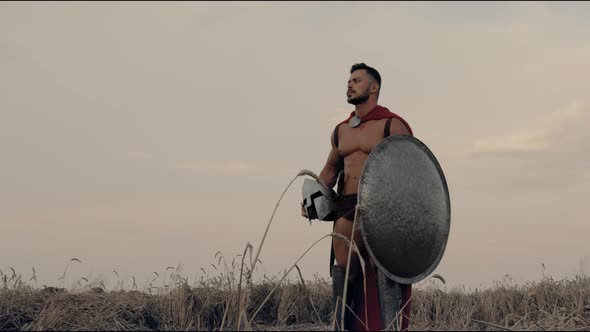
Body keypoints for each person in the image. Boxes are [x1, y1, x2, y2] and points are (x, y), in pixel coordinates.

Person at [301, 63, 413, 331]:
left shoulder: (391, 124)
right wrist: (313, 198)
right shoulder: (341, 130)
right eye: (349, 81)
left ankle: (386, 327)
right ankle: (343, 326)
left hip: (382, 210)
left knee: (380, 275)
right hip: (346, 206)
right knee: (344, 269)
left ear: (373, 87)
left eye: (357, 80)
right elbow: (331, 169)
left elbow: (411, 172)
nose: (349, 84)